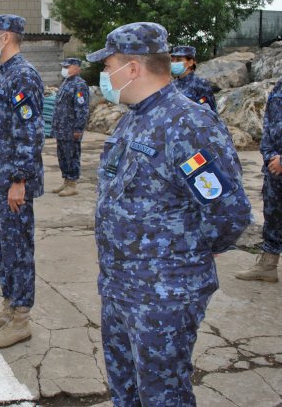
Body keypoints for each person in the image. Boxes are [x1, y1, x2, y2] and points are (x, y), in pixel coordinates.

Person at [87, 22, 251, 406]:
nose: (105, 75)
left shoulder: (188, 123)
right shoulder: (134, 116)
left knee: (163, 395)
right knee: (125, 390)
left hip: (165, 293)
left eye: (108, 65)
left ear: (131, 69)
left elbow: (230, 210)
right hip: (121, 286)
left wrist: (196, 251)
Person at [0, 14, 45, 348]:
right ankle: (9, 306)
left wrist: (20, 180)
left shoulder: (22, 75)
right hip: (0, 180)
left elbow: (29, 132)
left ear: (5, 37)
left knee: (18, 249)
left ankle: (21, 319)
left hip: (13, 182)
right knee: (4, 248)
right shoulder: (5, 75)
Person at [236, 76, 282, 282]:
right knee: (273, 217)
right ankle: (268, 265)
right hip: (274, 168)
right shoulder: (278, 87)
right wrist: (269, 155)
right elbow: (269, 125)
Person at [51, 58, 90, 197]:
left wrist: (78, 129)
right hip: (61, 128)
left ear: (76, 67)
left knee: (72, 155)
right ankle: (66, 181)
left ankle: (73, 184)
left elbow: (82, 109)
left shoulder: (80, 85)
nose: (64, 69)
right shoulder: (66, 82)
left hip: (71, 129)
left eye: (67, 67)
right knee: (63, 156)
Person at [170, 45, 217, 112]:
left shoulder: (201, 84)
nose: (174, 63)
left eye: (179, 60)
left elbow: (212, 112)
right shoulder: (172, 85)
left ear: (190, 62)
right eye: (172, 60)